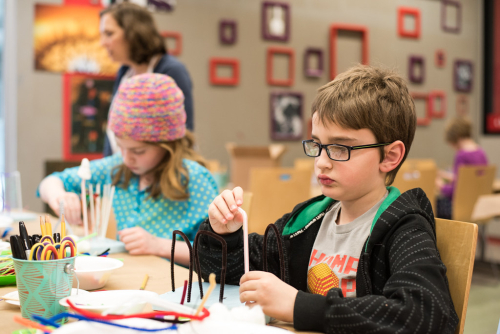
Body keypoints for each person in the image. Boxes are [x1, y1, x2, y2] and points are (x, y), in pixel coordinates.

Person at [196, 65, 458, 333]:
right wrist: (225, 234)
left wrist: (299, 306)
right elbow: (231, 271)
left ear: (390, 157)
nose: (321, 162)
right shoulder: (310, 220)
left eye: (338, 148)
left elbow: (425, 316)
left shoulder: (404, 228)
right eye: (317, 145)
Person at [39, 74, 217, 266]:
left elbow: (219, 254)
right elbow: (50, 182)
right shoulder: (117, 168)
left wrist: (158, 246)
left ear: (168, 144)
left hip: (179, 288)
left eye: (138, 151)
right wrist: (58, 196)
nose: (126, 157)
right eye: (120, 147)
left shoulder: (196, 180)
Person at [100, 2, 194, 156]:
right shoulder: (124, 72)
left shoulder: (171, 70)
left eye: (109, 34)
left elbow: (183, 136)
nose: (102, 43)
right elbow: (114, 130)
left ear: (134, 33)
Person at [436, 117, 488, 219]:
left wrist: (440, 185)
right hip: (479, 207)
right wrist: (449, 176)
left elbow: (456, 192)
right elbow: (470, 181)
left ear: (456, 138)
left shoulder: (461, 155)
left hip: (461, 208)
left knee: (434, 204)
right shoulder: (481, 152)